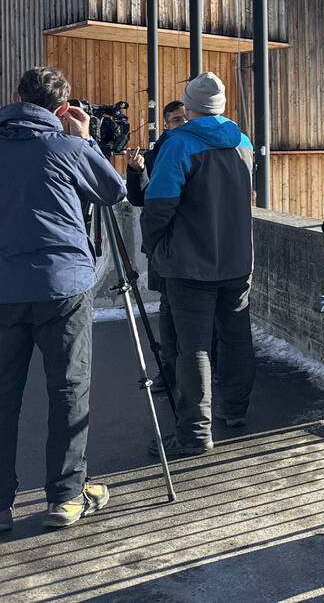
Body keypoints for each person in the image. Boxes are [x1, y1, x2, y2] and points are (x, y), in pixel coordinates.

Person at [0, 66, 126, 531]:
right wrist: (86, 139)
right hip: (62, 288)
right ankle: (67, 496)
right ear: (63, 108)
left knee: (3, 396)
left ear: (16, 98)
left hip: (4, 288)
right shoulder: (68, 147)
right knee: (68, 390)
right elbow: (113, 191)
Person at [141, 72, 256, 459]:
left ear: (188, 107)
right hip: (236, 260)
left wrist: (155, 248)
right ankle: (236, 409)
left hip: (189, 265)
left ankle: (194, 432)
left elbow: (158, 206)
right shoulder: (243, 141)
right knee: (236, 337)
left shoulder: (179, 143)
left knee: (194, 348)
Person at [125, 101, 189, 395]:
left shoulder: (199, 149)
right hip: (164, 246)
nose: (182, 123)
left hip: (191, 244)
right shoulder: (154, 155)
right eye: (176, 119)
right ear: (166, 124)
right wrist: (136, 171)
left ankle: (200, 371)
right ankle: (169, 370)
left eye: (185, 118)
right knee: (168, 311)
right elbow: (140, 199)